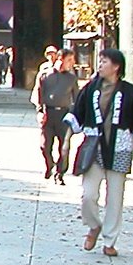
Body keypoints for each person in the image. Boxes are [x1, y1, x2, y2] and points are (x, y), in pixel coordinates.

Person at [65, 47, 133, 257]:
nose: (100, 65)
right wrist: (66, 140)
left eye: (105, 61)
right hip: (94, 147)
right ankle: (94, 225)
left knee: (115, 197)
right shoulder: (89, 89)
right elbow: (76, 115)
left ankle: (110, 240)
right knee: (88, 194)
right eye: (100, 61)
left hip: (120, 147)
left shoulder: (129, 91)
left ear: (116, 66)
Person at [33, 48, 80, 183]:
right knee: (44, 145)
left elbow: (76, 98)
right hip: (48, 113)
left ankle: (60, 173)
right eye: (69, 60)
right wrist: (40, 111)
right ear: (60, 59)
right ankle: (50, 165)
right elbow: (39, 94)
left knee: (64, 147)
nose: (72, 63)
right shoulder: (45, 75)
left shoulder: (71, 78)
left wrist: (75, 115)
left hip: (64, 115)